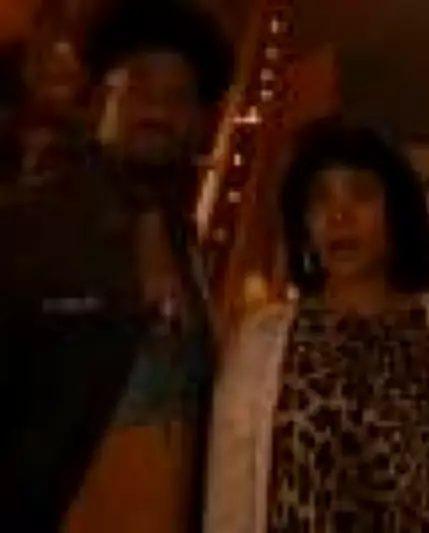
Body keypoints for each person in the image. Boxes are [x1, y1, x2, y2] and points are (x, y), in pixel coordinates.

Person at [205, 119, 429, 533]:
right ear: (304, 224)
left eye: (361, 194)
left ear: (396, 213)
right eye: (321, 199)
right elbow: (230, 507)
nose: (340, 216)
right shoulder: (259, 346)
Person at [0, 3, 231, 532]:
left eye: (179, 96)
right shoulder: (26, 226)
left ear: (199, 123)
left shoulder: (186, 245)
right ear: (103, 99)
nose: (158, 110)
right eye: (140, 86)